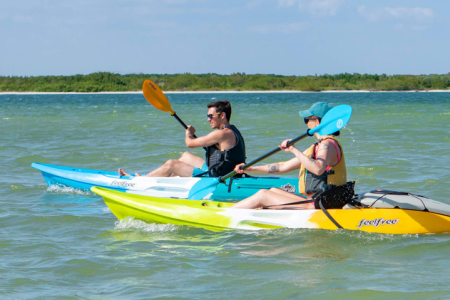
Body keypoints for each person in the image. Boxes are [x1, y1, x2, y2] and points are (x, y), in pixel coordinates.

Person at [231, 102, 350, 210]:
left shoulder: (327, 144)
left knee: (263, 195)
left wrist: (294, 150)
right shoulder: (316, 147)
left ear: (317, 122)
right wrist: (250, 168)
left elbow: (318, 169)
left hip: (320, 206)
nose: (306, 123)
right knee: (273, 191)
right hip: (314, 202)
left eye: (307, 120)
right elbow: (283, 166)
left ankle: (226, 214)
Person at [119, 100, 246, 177]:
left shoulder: (222, 133)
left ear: (222, 115)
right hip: (220, 169)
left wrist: (188, 133)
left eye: (211, 116)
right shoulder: (232, 130)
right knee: (186, 156)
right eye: (207, 116)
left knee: (171, 164)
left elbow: (190, 143)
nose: (208, 119)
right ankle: (161, 178)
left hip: (218, 176)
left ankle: (142, 180)